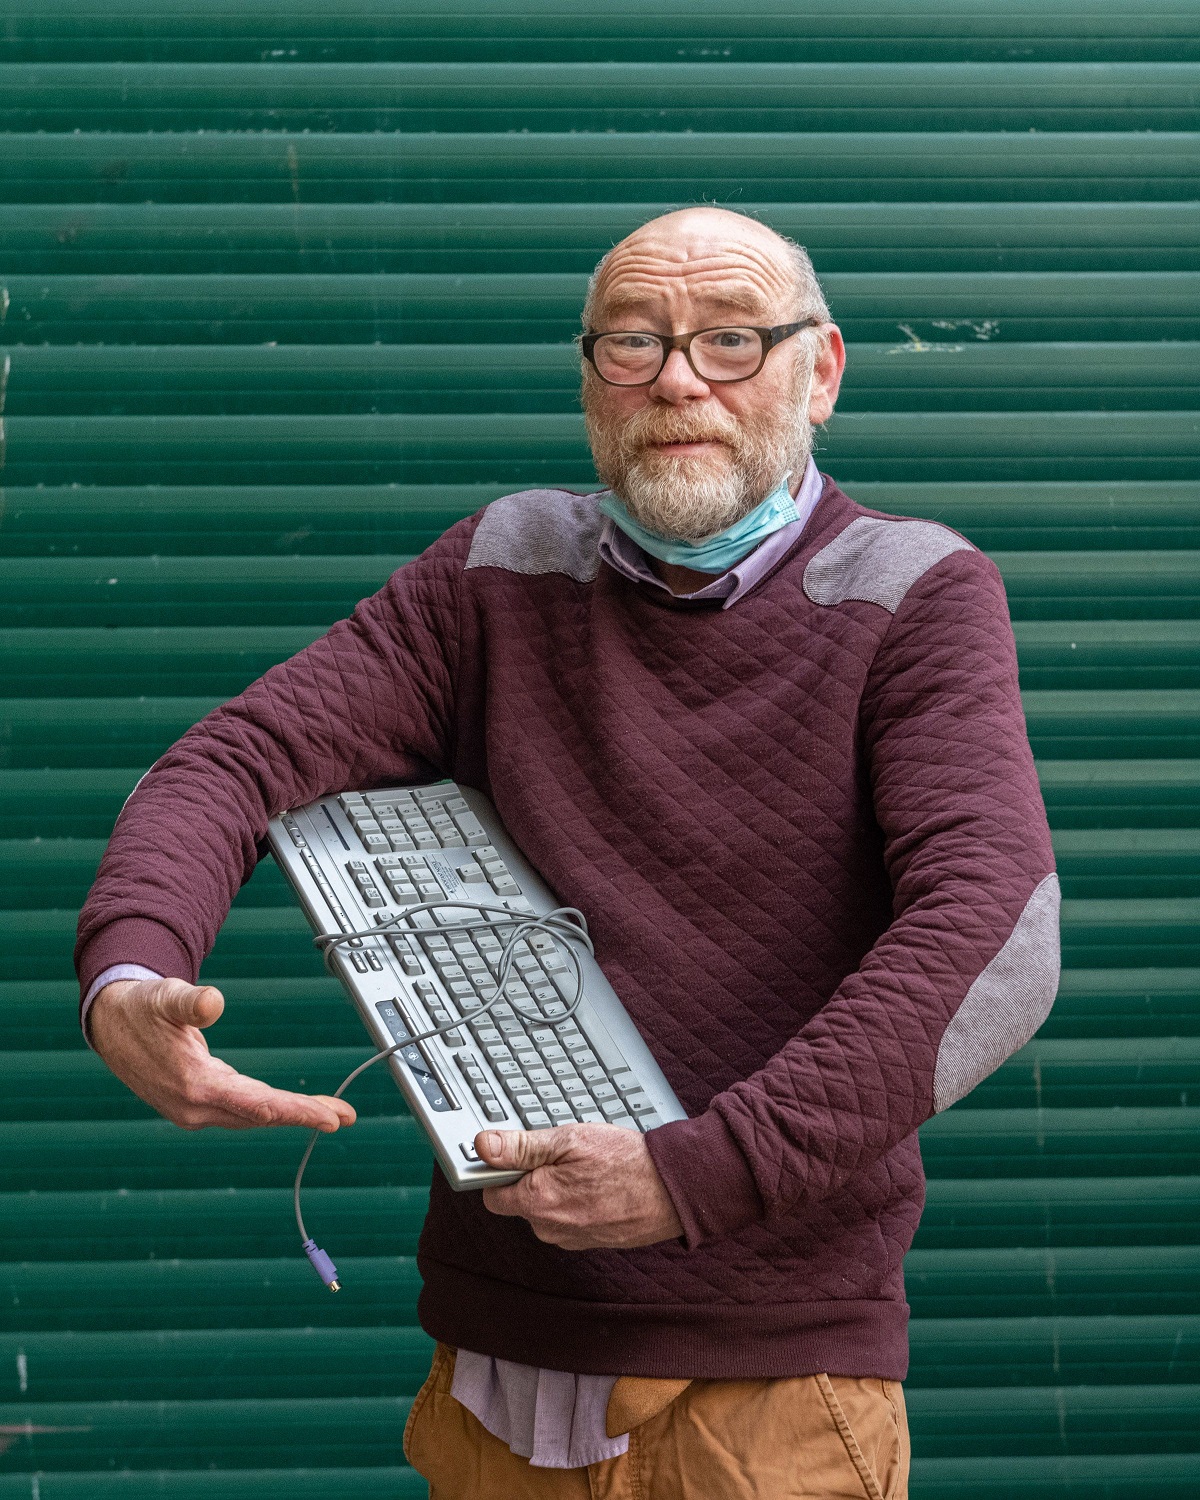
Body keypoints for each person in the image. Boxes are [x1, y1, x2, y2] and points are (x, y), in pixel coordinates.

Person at [76, 207, 1059, 1499]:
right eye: (633, 344)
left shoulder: (916, 594)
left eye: (729, 340)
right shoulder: (494, 568)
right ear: (589, 376)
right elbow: (240, 758)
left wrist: (694, 1175)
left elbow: (997, 934)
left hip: (768, 1402)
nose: (678, 380)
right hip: (492, 1374)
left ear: (820, 373)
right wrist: (131, 973)